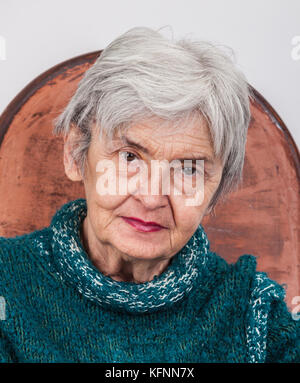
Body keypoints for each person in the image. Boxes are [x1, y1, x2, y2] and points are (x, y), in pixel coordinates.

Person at [0, 26, 299, 363]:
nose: (152, 196)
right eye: (130, 157)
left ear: (216, 189)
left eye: (188, 168)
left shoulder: (255, 314)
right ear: (74, 153)